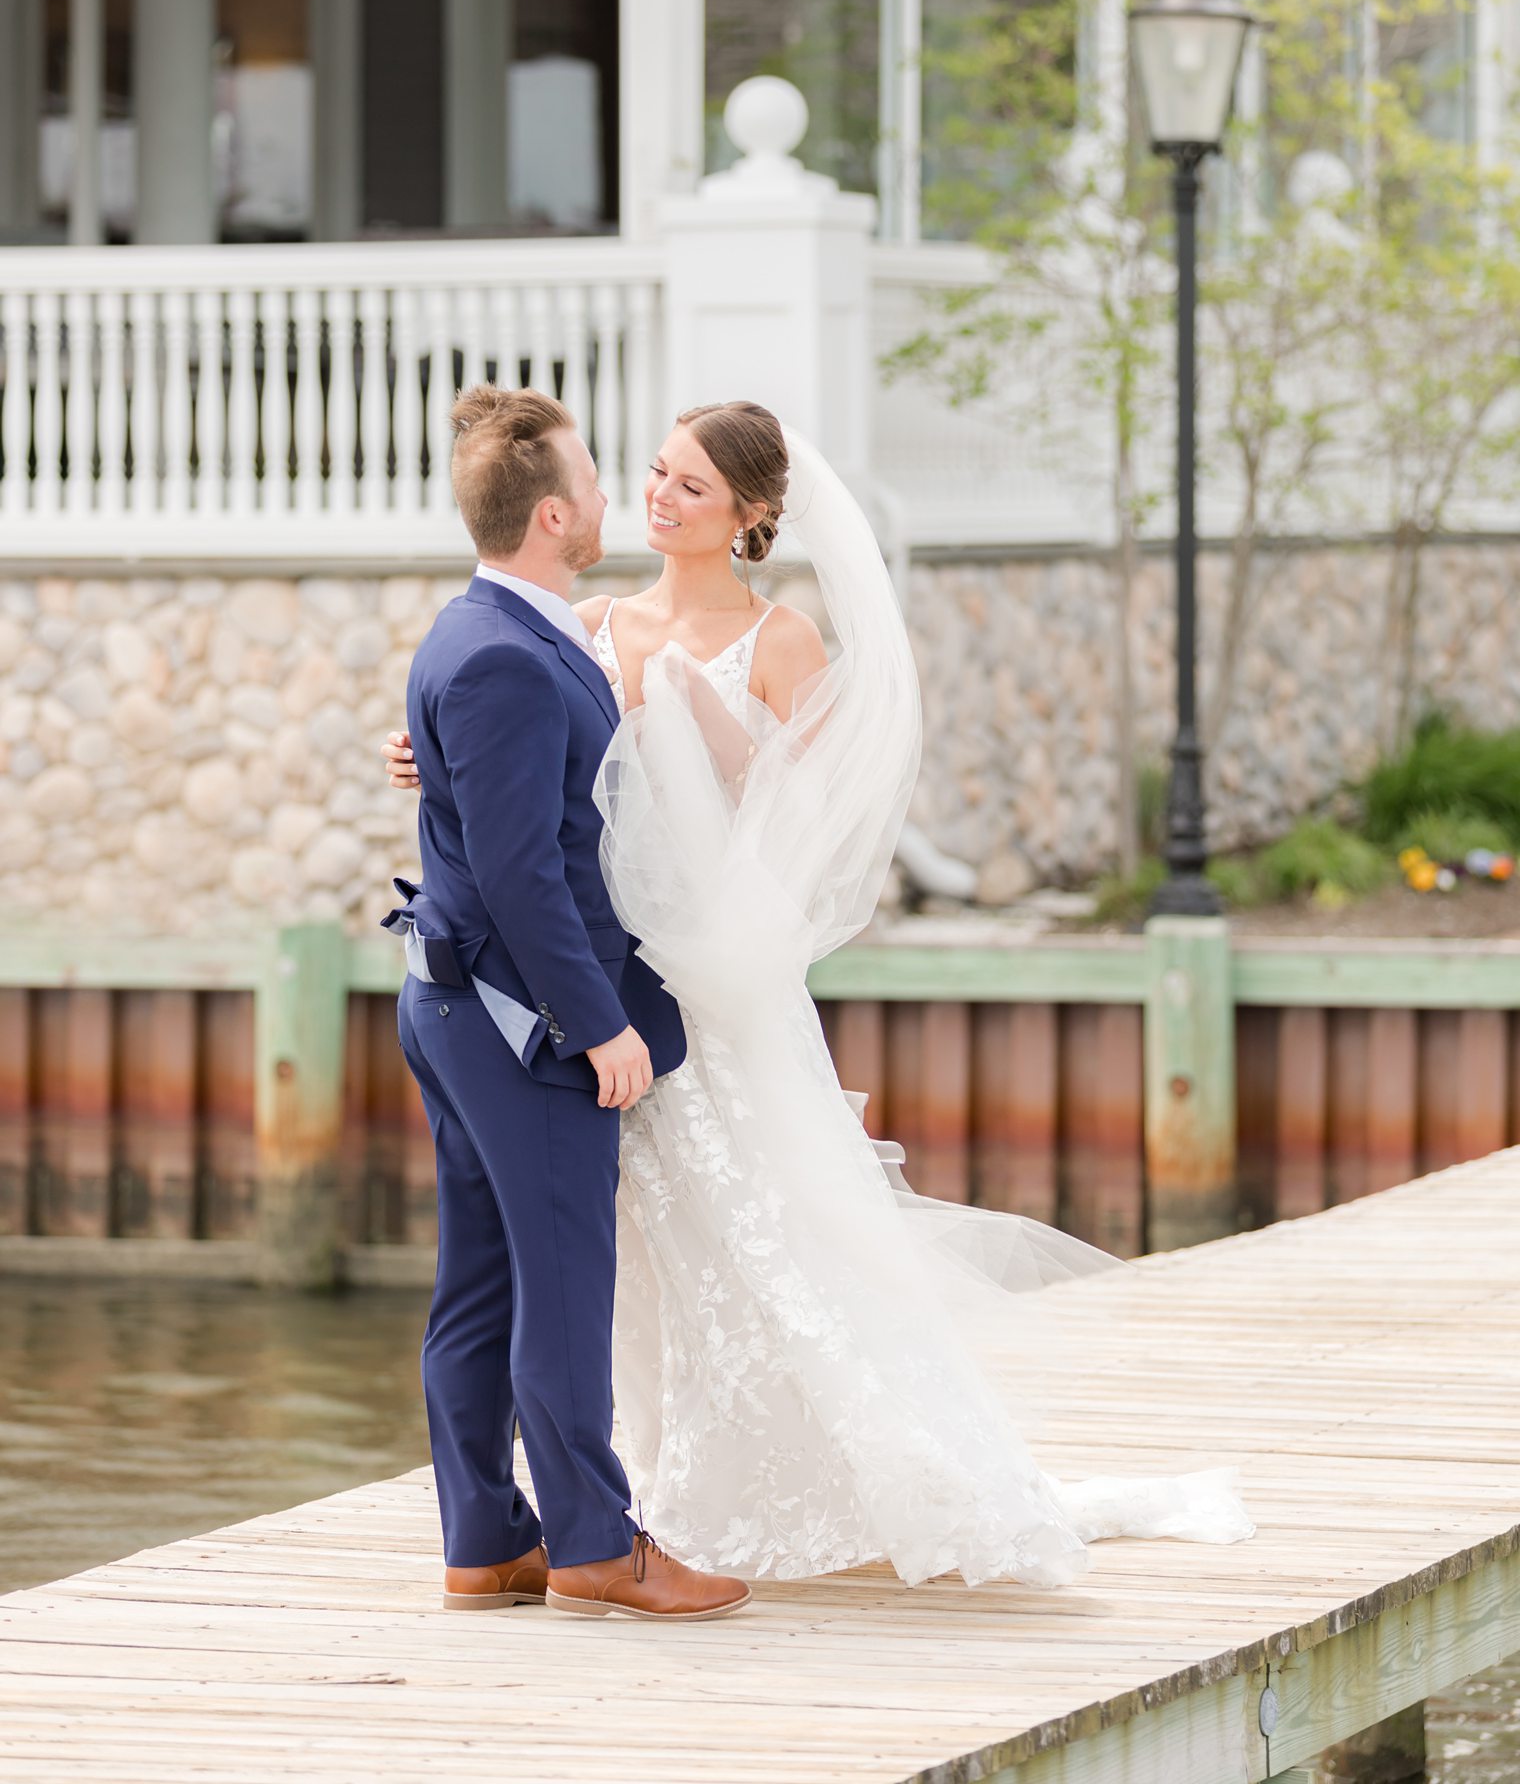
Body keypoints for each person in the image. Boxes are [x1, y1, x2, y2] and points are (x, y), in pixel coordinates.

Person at [385, 396, 1254, 1588]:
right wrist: (425, 754)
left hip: (694, 988)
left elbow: (809, 828)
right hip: (590, 993)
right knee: (601, 1267)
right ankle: (596, 1519)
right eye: (648, 473)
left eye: (688, 485)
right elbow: (518, 788)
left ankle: (719, 1493)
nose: (654, 497)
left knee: (758, 1241)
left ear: (746, 515)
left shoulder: (778, 642)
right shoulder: (580, 625)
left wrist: (704, 732)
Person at [389, 384, 750, 1622]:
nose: (616, 499)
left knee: (483, 1282)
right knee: (560, 1283)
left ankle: (488, 1543)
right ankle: (594, 1542)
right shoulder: (502, 652)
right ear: (553, 515)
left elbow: (498, 802)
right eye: (599, 482)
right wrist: (597, 1023)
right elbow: (518, 870)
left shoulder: (489, 631)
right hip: (516, 1021)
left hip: (457, 1006)